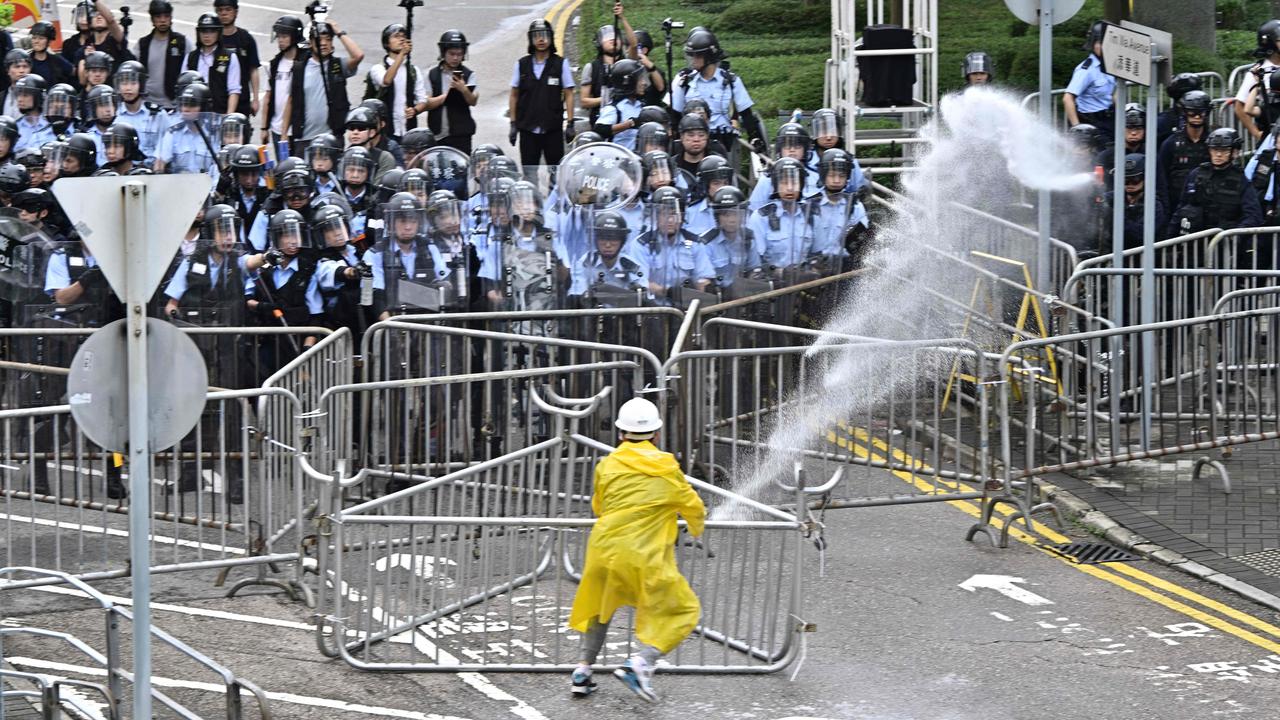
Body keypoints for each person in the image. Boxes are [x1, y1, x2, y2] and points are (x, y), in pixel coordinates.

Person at [567, 396, 705, 702]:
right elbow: (692, 505)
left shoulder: (607, 464)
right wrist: (697, 526)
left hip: (603, 549)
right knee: (685, 610)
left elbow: (599, 504)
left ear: (620, 433)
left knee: (601, 609)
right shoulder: (666, 467)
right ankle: (641, 663)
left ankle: (582, 671)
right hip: (642, 555)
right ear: (656, 434)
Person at [671, 27, 766, 157]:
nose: (692, 59)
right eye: (691, 55)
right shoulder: (683, 80)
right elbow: (674, 115)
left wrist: (755, 137)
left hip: (721, 144)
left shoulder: (731, 81)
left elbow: (746, 114)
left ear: (708, 57)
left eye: (697, 55)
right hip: (691, 144)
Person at [508, 19, 576, 183]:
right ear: (531, 39)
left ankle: (555, 206)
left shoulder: (560, 64)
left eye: (544, 36)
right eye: (537, 36)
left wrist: (571, 124)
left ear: (550, 38)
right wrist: (513, 124)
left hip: (552, 129)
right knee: (530, 174)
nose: (541, 40)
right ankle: (532, 207)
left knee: (555, 173)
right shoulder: (522, 65)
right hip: (528, 130)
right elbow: (514, 94)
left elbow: (569, 94)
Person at [1169, 128, 1263, 236]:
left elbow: (1253, 216)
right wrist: (1170, 240)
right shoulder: (1196, 175)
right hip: (1194, 242)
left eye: (1224, 150)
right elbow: (1181, 208)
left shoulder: (1241, 180)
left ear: (1234, 152)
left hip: (1225, 245)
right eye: (1214, 149)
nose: (1218, 154)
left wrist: (1233, 237)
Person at [367, 23, 426, 142]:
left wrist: (415, 110)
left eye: (403, 36)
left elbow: (422, 100)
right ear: (386, 43)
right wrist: (402, 55)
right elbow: (386, 80)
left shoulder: (413, 71)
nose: (401, 39)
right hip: (385, 132)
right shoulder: (378, 68)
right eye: (396, 36)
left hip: (408, 131)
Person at [579, 3, 637, 124]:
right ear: (599, 43)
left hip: (625, 118)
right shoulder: (592, 67)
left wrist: (622, 18)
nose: (612, 39)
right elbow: (584, 101)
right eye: (607, 37)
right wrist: (606, 99)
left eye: (615, 37)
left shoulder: (627, 63)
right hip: (600, 119)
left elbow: (634, 45)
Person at [424, 30, 477, 154]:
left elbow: (473, 101)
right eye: (451, 54)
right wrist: (447, 96)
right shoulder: (432, 74)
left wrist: (463, 90)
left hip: (461, 135)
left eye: (459, 54)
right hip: (438, 135)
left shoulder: (469, 74)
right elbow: (426, 102)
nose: (455, 58)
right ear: (443, 52)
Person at [308, 19, 362, 139]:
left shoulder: (338, 65)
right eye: (319, 39)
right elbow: (290, 101)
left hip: (333, 135)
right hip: (305, 137)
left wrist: (339, 32)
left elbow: (358, 55)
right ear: (310, 43)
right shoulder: (301, 67)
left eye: (328, 39)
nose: (323, 43)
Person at [1158, 90, 1212, 210]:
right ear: (1184, 112)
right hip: (1176, 205)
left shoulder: (1213, 143)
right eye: (1192, 112)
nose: (1197, 117)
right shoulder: (1170, 144)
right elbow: (1162, 181)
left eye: (1201, 112)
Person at [262, 15, 307, 157]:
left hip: (300, 129)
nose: (280, 40)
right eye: (279, 36)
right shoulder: (274, 64)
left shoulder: (305, 62)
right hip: (277, 128)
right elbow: (268, 98)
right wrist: (264, 127)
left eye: (284, 36)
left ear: (295, 37)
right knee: (283, 169)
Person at [1063, 21, 1115, 136]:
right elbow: (1068, 98)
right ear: (1092, 44)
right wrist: (1078, 128)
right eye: (1100, 42)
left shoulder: (1111, 65)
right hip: (1092, 121)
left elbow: (1113, 93)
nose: (1104, 46)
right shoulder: (1086, 70)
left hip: (1109, 119)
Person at [1104, 153, 1165, 251]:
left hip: (1140, 260)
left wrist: (1115, 216)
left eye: (1135, 179)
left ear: (1146, 179)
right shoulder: (1113, 197)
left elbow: (1140, 234)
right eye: (1125, 180)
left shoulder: (1154, 205)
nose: (1130, 184)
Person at [113, 60, 168, 165]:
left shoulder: (158, 115)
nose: (128, 88)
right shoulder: (114, 115)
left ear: (141, 84)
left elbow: (167, 145)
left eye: (133, 83)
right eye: (124, 83)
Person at [185, 13, 241, 116]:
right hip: (196, 116)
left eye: (211, 31)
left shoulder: (230, 57)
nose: (207, 35)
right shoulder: (190, 57)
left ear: (218, 33)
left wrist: (228, 116)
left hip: (219, 114)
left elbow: (234, 90)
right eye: (203, 31)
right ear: (198, 33)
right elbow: (184, 88)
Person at [214, 0, 261, 118]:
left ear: (236, 12)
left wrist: (255, 99)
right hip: (217, 101)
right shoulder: (211, 40)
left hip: (242, 100)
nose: (224, 13)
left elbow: (253, 70)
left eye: (228, 9)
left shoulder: (246, 39)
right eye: (220, 10)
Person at [136, 0, 187, 108]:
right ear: (152, 20)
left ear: (171, 18)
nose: (163, 20)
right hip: (147, 103)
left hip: (173, 105)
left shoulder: (182, 42)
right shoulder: (143, 44)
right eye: (158, 17)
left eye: (166, 16)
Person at [1237, 19, 1280, 144]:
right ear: (1270, 43)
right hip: (1271, 137)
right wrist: (1256, 133)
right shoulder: (1258, 72)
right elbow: (1240, 107)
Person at [595, 59, 646, 151]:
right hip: (619, 159)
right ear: (628, 82)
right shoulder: (614, 108)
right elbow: (600, 130)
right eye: (640, 79)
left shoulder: (641, 106)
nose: (644, 83)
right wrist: (629, 124)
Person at [27, 23, 75, 90]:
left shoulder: (56, 60)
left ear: (49, 42)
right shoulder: (26, 61)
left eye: (41, 38)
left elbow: (74, 71)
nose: (36, 41)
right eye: (34, 38)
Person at [14, 76, 54, 153]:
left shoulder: (52, 126)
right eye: (18, 94)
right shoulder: (15, 126)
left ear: (39, 96)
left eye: (25, 95)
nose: (20, 99)